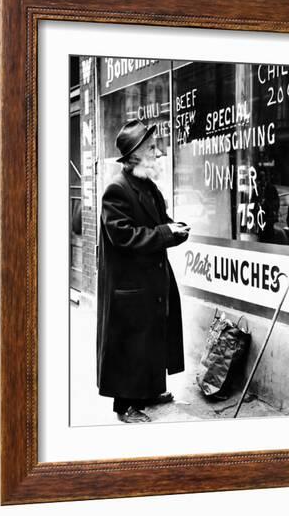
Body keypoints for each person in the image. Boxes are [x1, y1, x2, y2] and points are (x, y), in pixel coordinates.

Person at [96, 119, 190, 423]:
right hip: (129, 285)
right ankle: (125, 406)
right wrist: (166, 232)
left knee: (151, 339)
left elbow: (159, 221)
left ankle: (149, 391)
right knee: (130, 344)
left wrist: (175, 229)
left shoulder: (146, 185)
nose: (159, 152)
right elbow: (124, 236)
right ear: (134, 155)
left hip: (150, 280)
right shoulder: (116, 189)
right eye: (152, 148)